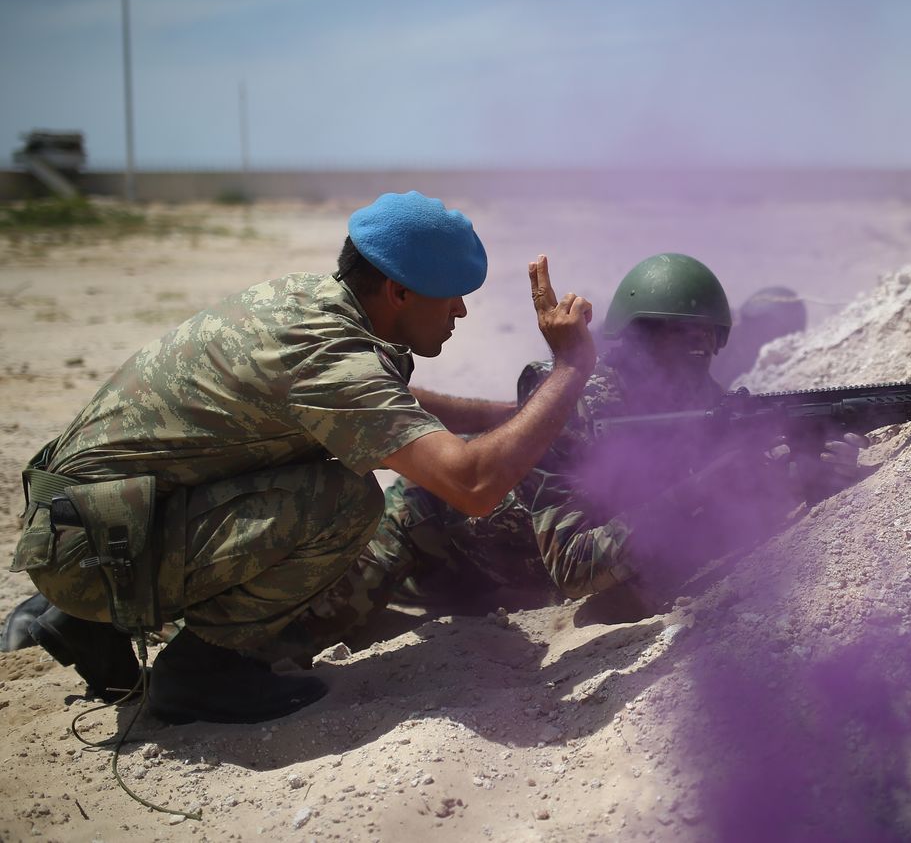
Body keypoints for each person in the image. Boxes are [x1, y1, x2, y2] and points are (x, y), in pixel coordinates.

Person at [6, 191, 596, 724]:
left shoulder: (311, 303)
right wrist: (568, 371)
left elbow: (384, 407)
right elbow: (472, 486)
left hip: (86, 523)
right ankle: (198, 672)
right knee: (344, 499)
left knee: (326, 461)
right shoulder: (328, 357)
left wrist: (506, 413)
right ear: (399, 291)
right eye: (453, 298)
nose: (461, 313)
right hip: (89, 553)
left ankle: (86, 625)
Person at [288, 253, 866, 655]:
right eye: (673, 339)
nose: (694, 355)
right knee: (309, 631)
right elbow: (574, 568)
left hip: (515, 581)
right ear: (631, 341)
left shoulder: (707, 406)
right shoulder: (578, 406)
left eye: (707, 340)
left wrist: (805, 479)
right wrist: (703, 487)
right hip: (432, 536)